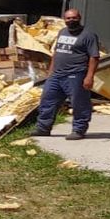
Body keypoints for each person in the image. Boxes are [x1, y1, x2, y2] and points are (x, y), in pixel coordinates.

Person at [33, 8, 99, 140]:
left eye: (74, 18)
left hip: (76, 75)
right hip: (56, 75)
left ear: (79, 18)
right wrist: (50, 72)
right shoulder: (62, 32)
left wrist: (89, 76)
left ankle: (79, 130)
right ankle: (43, 128)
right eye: (68, 18)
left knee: (79, 103)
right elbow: (56, 53)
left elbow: (94, 57)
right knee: (47, 100)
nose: (71, 20)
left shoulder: (88, 35)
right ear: (64, 20)